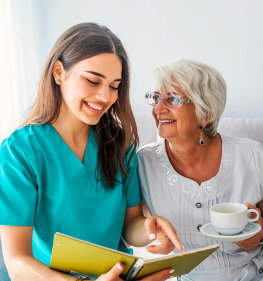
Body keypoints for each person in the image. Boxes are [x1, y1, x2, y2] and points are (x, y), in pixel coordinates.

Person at [0, 23, 183, 281]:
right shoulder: (20, 151)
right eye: (93, 80)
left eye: (114, 85)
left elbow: (130, 226)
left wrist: (150, 228)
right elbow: (16, 261)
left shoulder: (120, 145)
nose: (104, 96)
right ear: (58, 72)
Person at [137, 59, 263, 281]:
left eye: (173, 99)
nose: (158, 109)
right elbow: (131, 228)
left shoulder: (253, 154)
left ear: (205, 113)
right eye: (156, 98)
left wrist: (259, 234)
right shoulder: (142, 163)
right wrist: (151, 234)